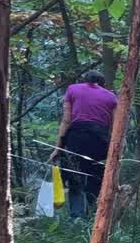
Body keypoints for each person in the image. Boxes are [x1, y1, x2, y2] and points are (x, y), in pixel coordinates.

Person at [49, 70, 116, 218]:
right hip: (100, 141)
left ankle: (77, 217)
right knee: (95, 178)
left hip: (76, 138)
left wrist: (58, 148)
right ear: (102, 83)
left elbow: (66, 120)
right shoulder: (111, 97)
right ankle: (92, 216)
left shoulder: (73, 89)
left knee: (74, 178)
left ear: (85, 80)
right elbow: (114, 126)